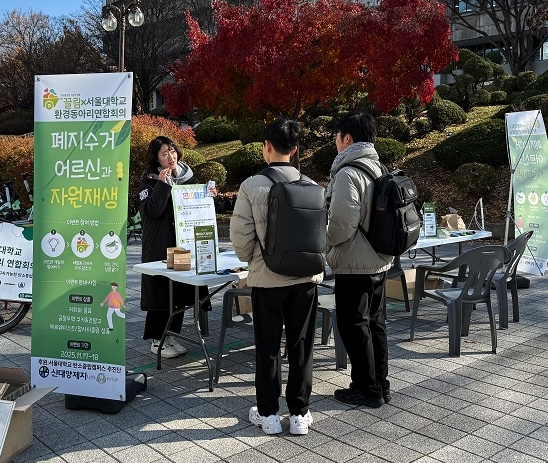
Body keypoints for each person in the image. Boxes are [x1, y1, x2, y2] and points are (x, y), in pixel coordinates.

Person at [229, 118, 323, 435]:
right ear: (294, 150)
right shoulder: (312, 187)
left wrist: (253, 260)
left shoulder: (252, 185)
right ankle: (299, 414)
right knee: (301, 345)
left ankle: (269, 415)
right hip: (306, 279)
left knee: (267, 346)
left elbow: (241, 239)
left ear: (265, 147)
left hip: (267, 280)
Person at [325, 111, 394, 408]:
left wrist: (322, 242)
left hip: (355, 261)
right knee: (376, 322)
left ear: (347, 138)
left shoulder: (348, 173)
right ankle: (380, 383)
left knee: (354, 324)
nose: (335, 143)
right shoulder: (380, 166)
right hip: (380, 258)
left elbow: (340, 225)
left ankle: (366, 389)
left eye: (337, 137)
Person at [138, 136, 214, 358]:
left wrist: (210, 198)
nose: (170, 157)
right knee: (161, 293)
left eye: (172, 151)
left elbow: (198, 206)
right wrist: (162, 185)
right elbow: (152, 212)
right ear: (156, 159)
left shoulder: (188, 177)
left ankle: (169, 335)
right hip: (160, 247)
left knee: (179, 291)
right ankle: (156, 340)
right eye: (164, 154)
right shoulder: (149, 181)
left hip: (182, 245)